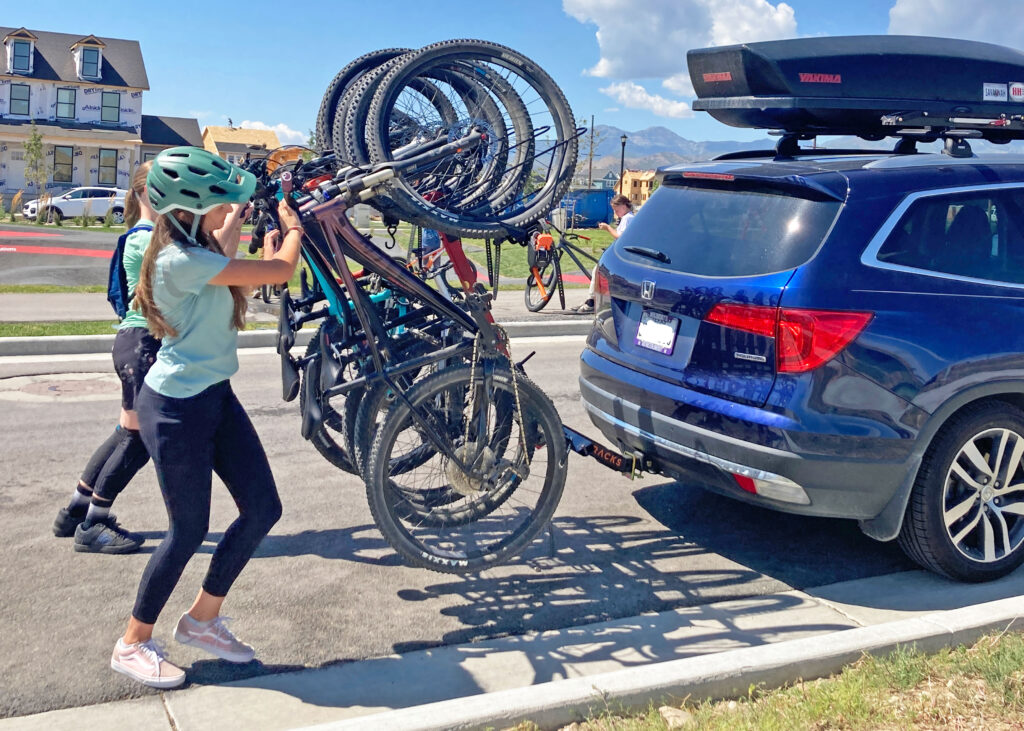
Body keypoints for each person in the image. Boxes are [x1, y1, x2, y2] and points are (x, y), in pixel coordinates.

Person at [109, 147, 302, 689]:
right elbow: (283, 269)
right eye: (220, 203)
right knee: (188, 529)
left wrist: (251, 237)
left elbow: (239, 270)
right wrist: (293, 228)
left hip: (213, 394)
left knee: (263, 507)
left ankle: (202, 620)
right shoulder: (178, 259)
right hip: (175, 408)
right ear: (191, 208)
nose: (228, 210)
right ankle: (132, 643)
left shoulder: (192, 246)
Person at [53, 162, 158, 554]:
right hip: (144, 346)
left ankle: (76, 510)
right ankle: (96, 523)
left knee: (124, 432)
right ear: (149, 193)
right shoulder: (149, 240)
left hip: (132, 342)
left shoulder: (138, 235)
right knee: (140, 440)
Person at [571, 194, 634, 315]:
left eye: (617, 209)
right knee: (598, 271)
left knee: (598, 270)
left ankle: (592, 302)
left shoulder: (628, 218)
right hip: (622, 253)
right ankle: (592, 300)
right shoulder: (628, 218)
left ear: (624, 206)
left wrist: (608, 228)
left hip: (623, 255)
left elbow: (620, 237)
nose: (616, 212)